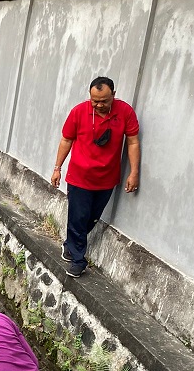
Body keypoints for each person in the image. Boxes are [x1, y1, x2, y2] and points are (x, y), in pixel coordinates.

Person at [51, 76, 140, 278]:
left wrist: (134, 172)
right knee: (78, 218)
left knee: (92, 218)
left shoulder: (125, 112)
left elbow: (133, 142)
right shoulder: (79, 112)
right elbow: (66, 139)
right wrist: (57, 168)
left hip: (107, 178)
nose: (99, 105)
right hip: (79, 177)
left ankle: (70, 245)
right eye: (94, 100)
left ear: (113, 96)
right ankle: (78, 259)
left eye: (104, 101)